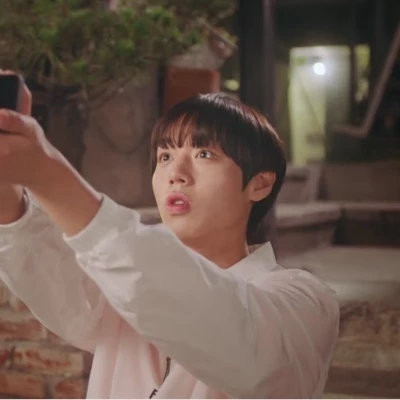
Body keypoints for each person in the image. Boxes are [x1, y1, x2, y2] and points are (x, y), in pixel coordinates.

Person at [0, 72, 339, 399]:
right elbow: (46, 265)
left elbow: (233, 335)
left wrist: (49, 175)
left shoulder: (304, 304)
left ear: (259, 184)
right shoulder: (119, 293)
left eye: (204, 154)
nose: (176, 173)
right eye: (165, 156)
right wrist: (7, 186)